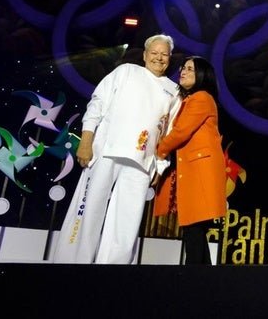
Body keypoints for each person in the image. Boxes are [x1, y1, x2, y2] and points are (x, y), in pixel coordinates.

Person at [52, 34, 179, 264]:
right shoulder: (126, 71)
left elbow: (169, 131)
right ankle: (72, 263)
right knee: (90, 208)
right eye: (154, 53)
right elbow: (98, 102)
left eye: (164, 54)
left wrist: (159, 166)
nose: (159, 58)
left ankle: (114, 268)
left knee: (127, 219)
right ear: (144, 55)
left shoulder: (173, 90)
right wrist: (86, 139)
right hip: (106, 151)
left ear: (169, 59)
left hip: (142, 161)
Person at [152, 56, 228, 264]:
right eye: (183, 68)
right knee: (195, 229)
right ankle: (202, 281)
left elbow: (180, 133)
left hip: (199, 170)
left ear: (202, 75)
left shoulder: (201, 97)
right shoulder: (192, 99)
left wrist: (157, 151)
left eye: (190, 69)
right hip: (195, 169)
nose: (183, 72)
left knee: (193, 227)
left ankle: (193, 279)